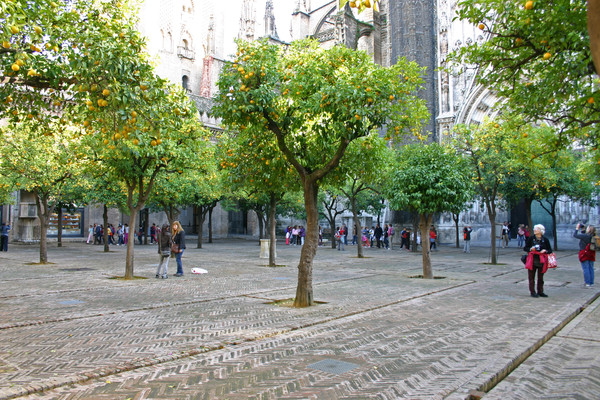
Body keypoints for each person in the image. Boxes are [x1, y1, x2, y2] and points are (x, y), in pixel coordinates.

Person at [523, 224, 553, 298]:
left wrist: (545, 250)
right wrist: (530, 249)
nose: (534, 230)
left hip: (541, 261)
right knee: (531, 277)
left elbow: (550, 250)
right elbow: (525, 248)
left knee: (540, 277)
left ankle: (540, 291)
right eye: (534, 229)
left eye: (536, 229)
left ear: (540, 231)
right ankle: (532, 292)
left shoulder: (545, 239)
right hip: (532, 260)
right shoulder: (531, 238)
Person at [574, 223, 596, 288]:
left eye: (588, 228)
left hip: (584, 253)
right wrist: (583, 229)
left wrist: (577, 228)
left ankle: (587, 283)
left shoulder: (585, 236)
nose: (587, 229)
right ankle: (591, 282)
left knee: (586, 268)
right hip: (591, 253)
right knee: (591, 268)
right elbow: (583, 235)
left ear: (589, 230)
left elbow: (575, 235)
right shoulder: (592, 236)